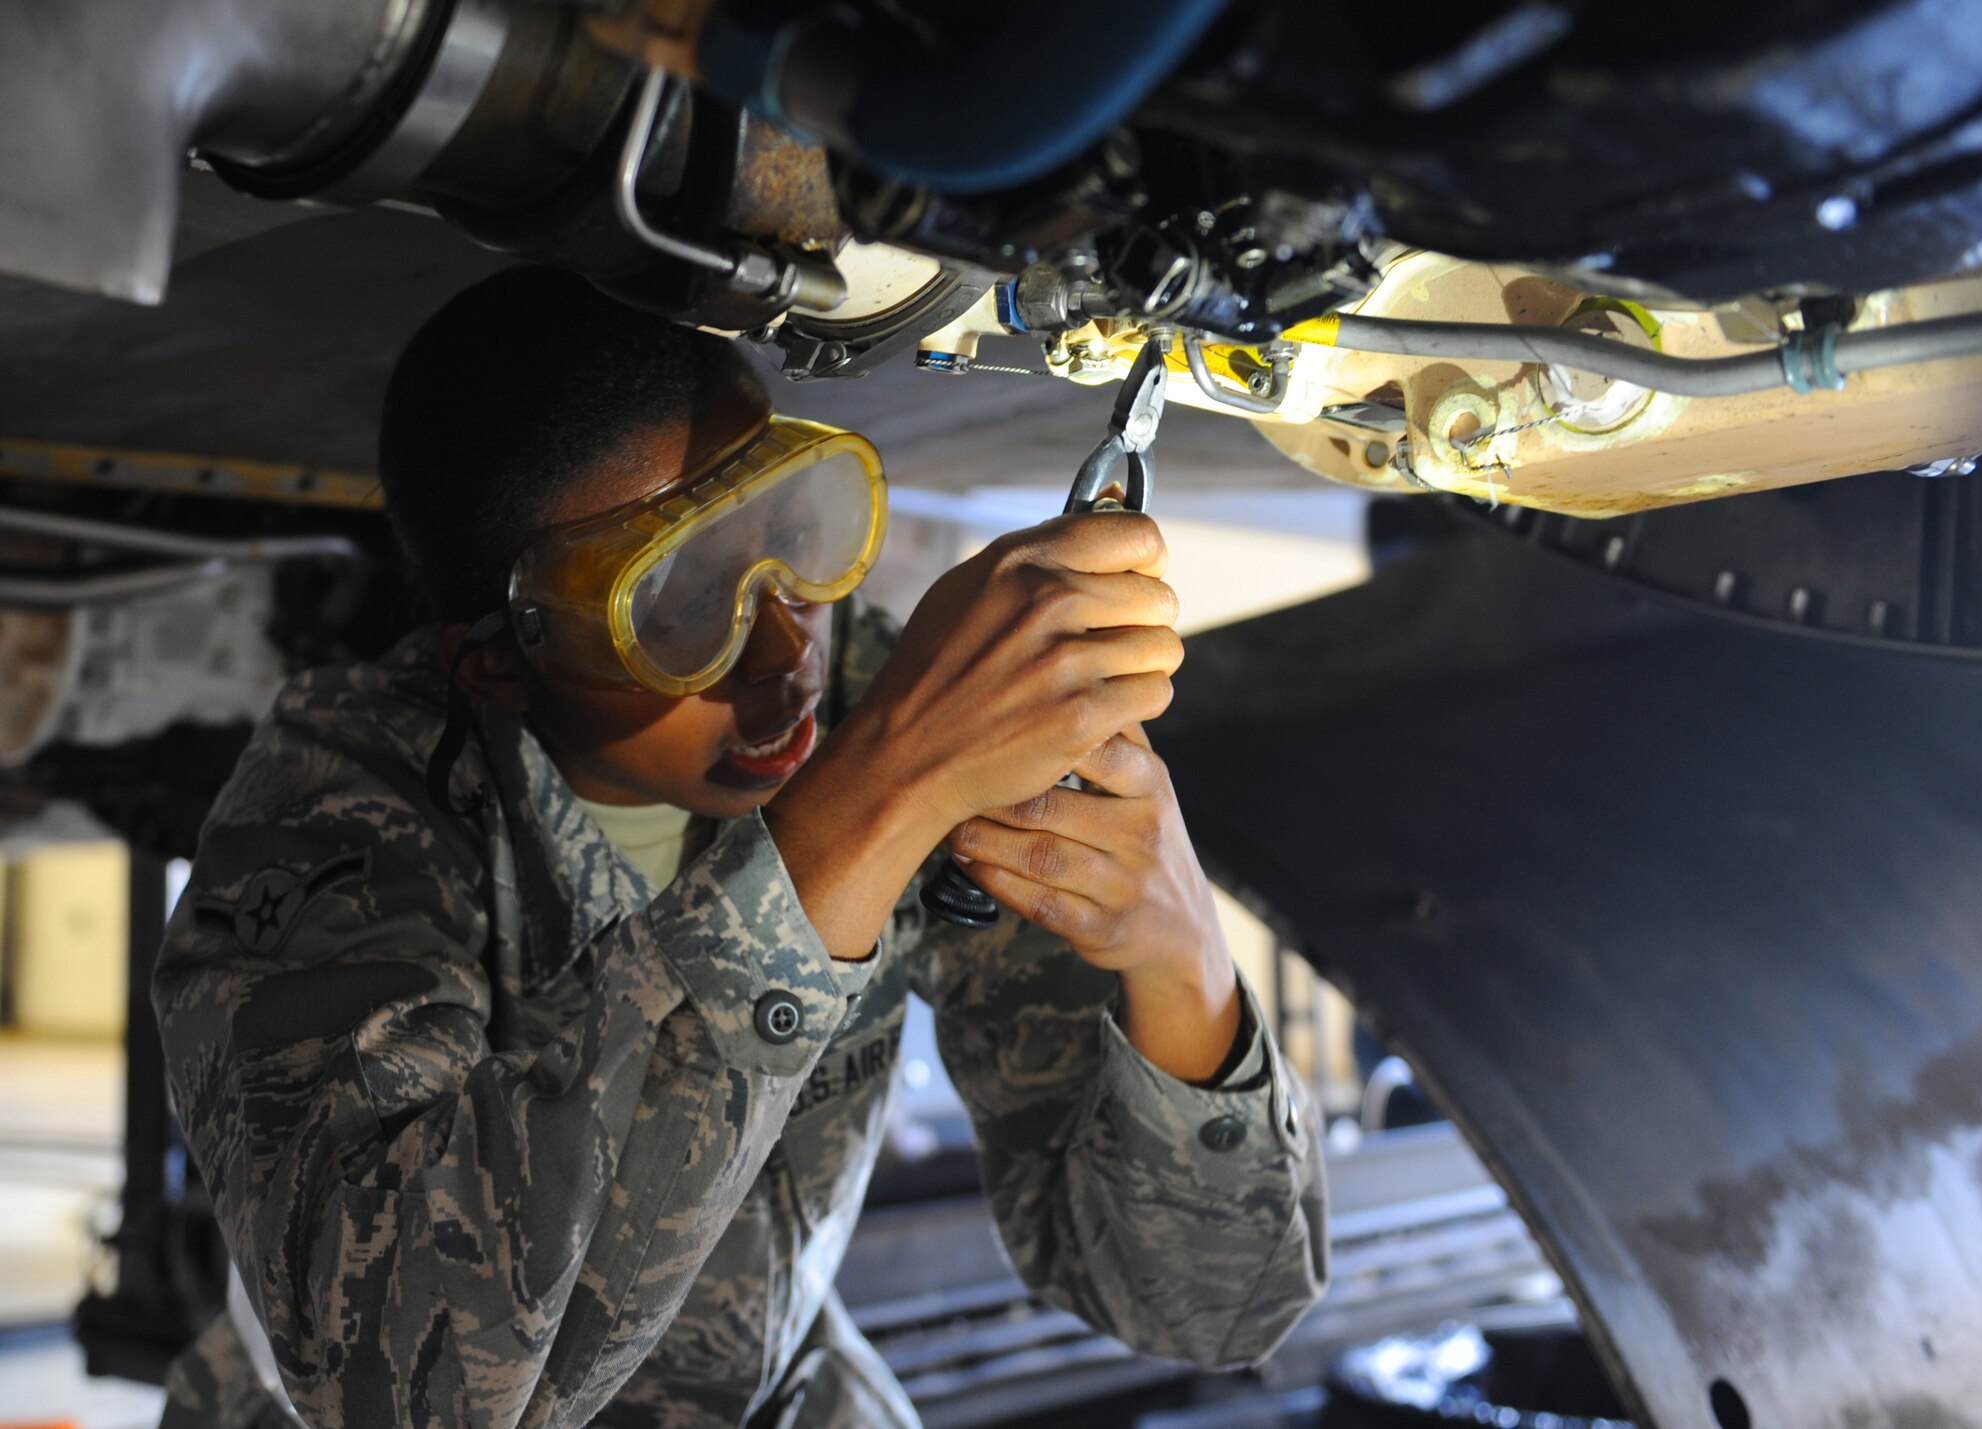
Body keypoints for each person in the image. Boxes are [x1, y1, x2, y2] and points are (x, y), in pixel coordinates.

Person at [153, 266, 1328, 1428]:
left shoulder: (878, 703)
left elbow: (1210, 1314)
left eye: (789, 534)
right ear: (501, 663)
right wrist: (873, 804)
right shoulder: (342, 808)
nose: (782, 650)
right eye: (674, 604)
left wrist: (1183, 970)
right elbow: (402, 1392)